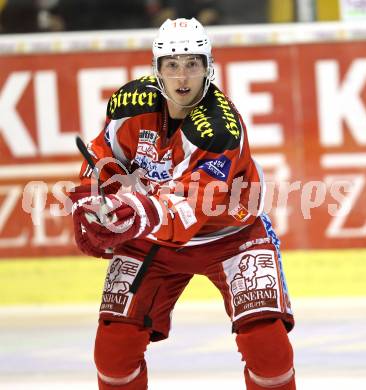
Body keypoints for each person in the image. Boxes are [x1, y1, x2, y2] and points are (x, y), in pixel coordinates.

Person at [68, 17, 296, 390]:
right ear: (156, 68)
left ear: (209, 67)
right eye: (171, 65)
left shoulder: (219, 128)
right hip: (151, 238)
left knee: (269, 350)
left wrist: (129, 214)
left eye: (193, 63)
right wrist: (94, 203)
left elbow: (190, 207)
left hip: (231, 236)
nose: (182, 77)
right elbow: (102, 157)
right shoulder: (129, 104)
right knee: (113, 353)